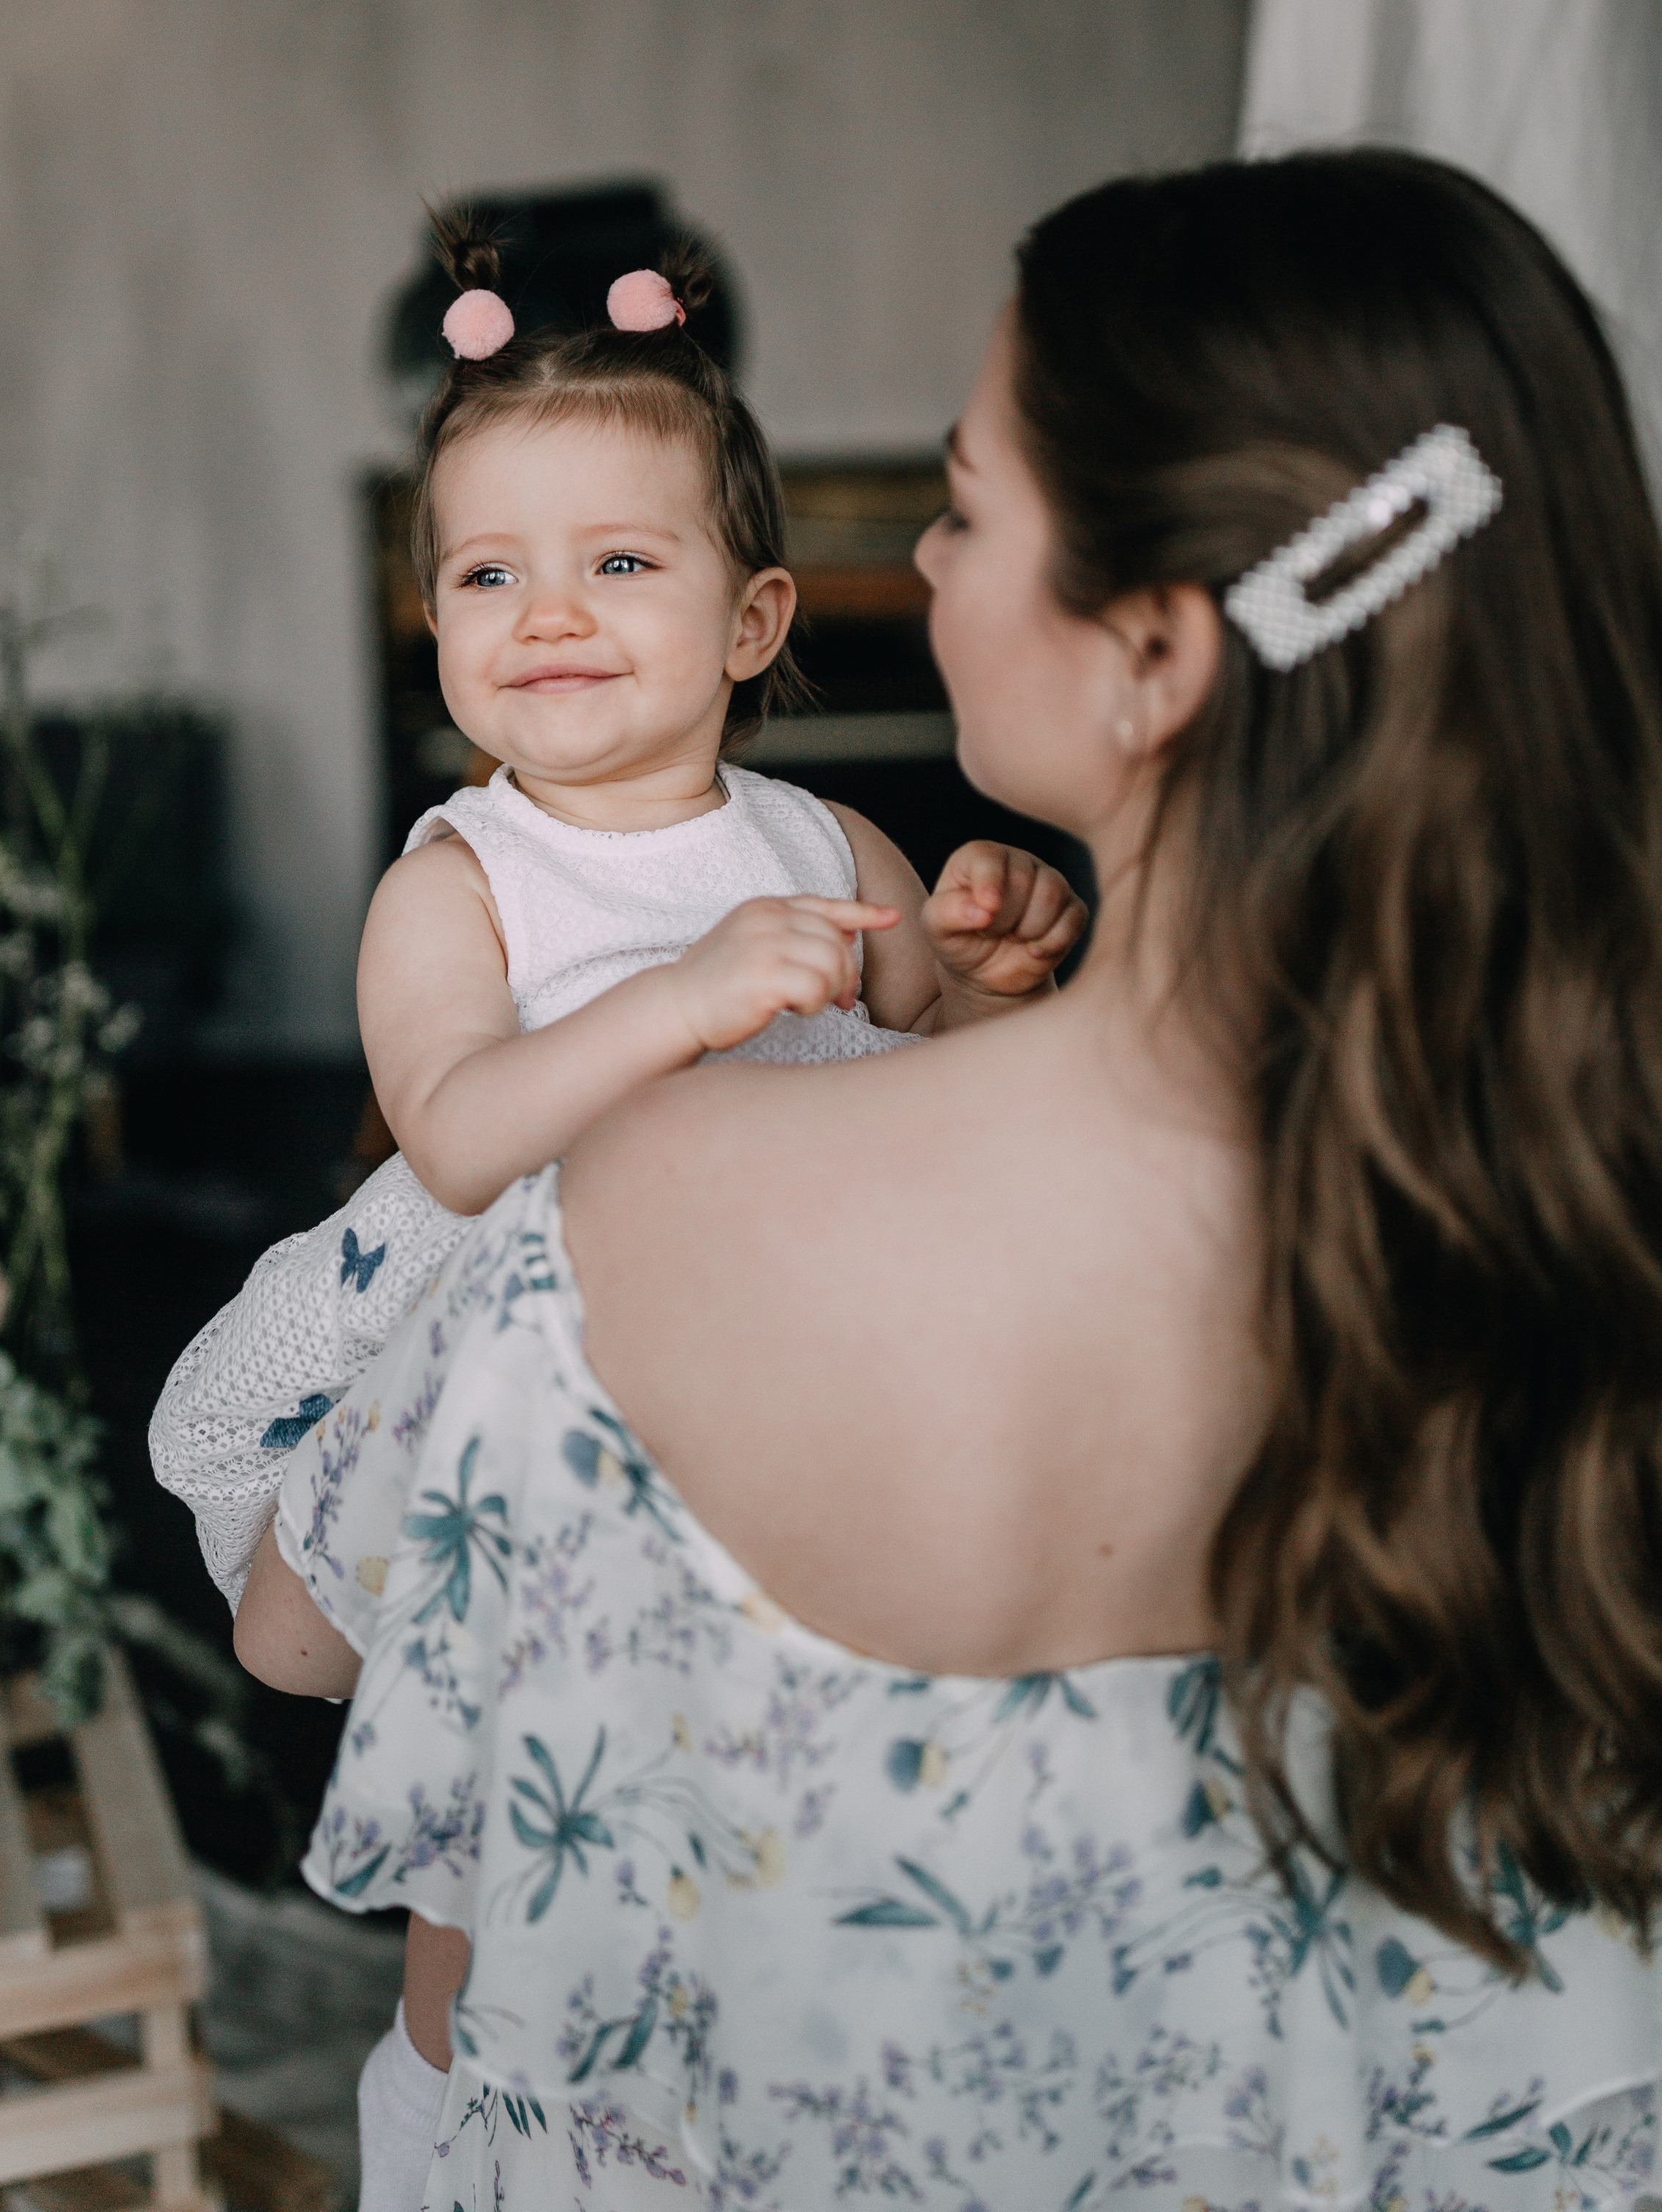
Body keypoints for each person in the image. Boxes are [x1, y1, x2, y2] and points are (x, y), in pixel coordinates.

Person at [235, 149, 1662, 2210]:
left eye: (968, 505)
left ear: (1157, 649)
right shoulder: (1563, 1229)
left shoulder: (641, 1214)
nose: (920, 549)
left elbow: (306, 1638)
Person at [150, 216, 1082, 2205]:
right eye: (490, 573)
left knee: (711, 1803)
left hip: (779, 1391)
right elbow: (459, 1131)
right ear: (432, 617)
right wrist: (679, 999)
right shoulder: (457, 886)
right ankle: (457, 2133)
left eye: (622, 565)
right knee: (501, 1806)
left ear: (753, 622)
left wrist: (998, 969)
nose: (549, 614)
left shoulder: (828, 841)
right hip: (517, 1394)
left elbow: (955, 1072)